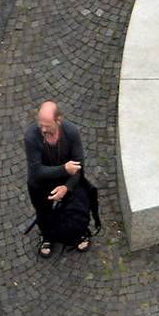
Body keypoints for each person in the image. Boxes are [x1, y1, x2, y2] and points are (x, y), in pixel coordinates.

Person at [22, 100, 97, 257]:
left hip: (65, 180)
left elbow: (79, 165)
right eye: (40, 124)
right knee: (43, 212)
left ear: (58, 120)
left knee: (76, 207)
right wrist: (64, 168)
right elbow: (36, 171)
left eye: (47, 125)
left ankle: (78, 234)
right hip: (41, 183)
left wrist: (66, 187)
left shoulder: (71, 132)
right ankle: (47, 236)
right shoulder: (31, 137)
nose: (42, 129)